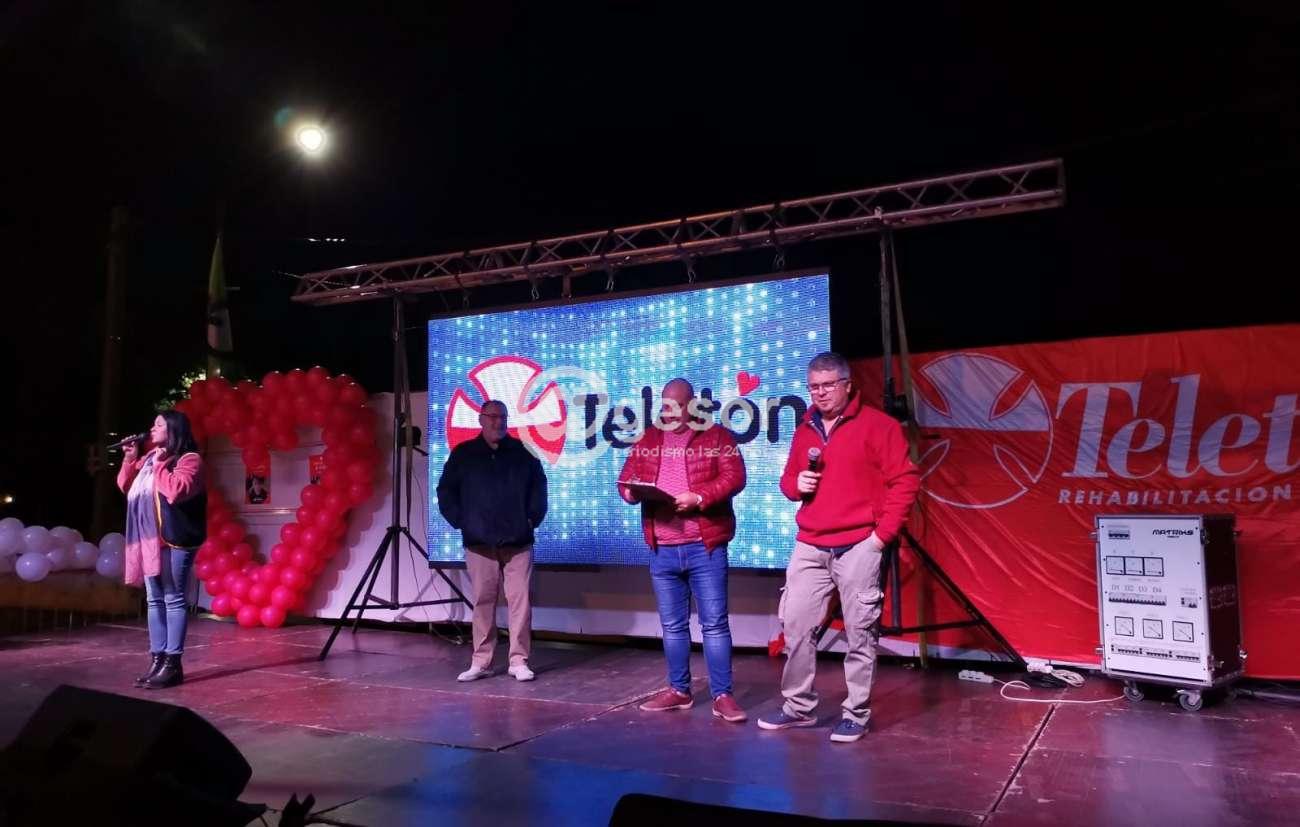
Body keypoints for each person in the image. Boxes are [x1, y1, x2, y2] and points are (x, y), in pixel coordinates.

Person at [758, 352, 921, 742]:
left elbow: (905, 481)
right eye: (814, 386)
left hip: (859, 543)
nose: (820, 393)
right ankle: (798, 708)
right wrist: (796, 484)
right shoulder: (805, 428)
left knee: (860, 632)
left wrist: (880, 538)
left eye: (828, 385)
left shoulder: (878, 426)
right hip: (810, 543)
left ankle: (856, 713)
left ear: (848, 385)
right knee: (795, 625)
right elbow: (787, 482)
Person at [617, 378, 748, 723]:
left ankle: (723, 696)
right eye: (664, 406)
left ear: (692, 405)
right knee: (672, 626)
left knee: (714, 624)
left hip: (704, 547)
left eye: (676, 405)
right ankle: (679, 690)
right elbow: (626, 479)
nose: (669, 412)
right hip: (662, 548)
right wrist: (630, 492)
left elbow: (735, 477)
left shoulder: (717, 436)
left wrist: (700, 497)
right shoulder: (648, 438)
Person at [437, 399, 548, 682]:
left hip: (518, 541)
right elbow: (446, 491)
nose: (498, 422)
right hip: (479, 542)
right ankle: (481, 661)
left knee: (520, 601)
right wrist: (462, 521)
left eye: (503, 417)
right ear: (481, 419)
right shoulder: (464, 454)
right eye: (493, 417)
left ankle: (518, 660)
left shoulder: (523, 452)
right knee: (483, 602)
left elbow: (539, 487)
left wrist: (531, 519)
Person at [117, 410, 207, 689]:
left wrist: (158, 465)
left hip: (175, 538)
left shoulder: (188, 459)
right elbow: (125, 486)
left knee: (173, 598)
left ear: (173, 429)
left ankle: (173, 664)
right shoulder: (148, 459)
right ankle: (157, 660)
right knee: (154, 599)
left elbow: (176, 490)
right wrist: (130, 458)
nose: (152, 429)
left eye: (158, 425)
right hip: (149, 540)